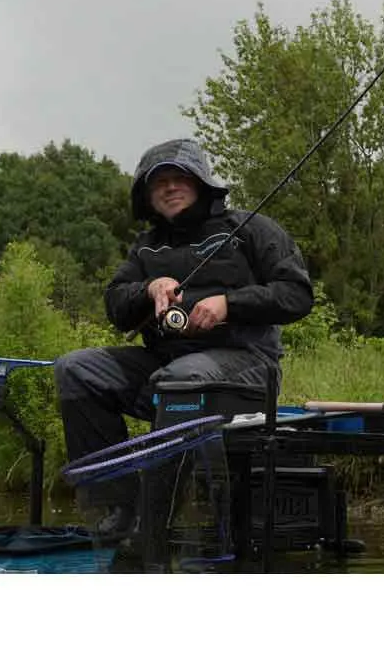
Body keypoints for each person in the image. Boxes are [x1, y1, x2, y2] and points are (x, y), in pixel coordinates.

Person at [53, 137, 314, 534]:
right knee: (75, 369)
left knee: (181, 380)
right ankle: (117, 511)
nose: (170, 187)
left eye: (180, 178)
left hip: (247, 369)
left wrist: (229, 304)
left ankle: (153, 528)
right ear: (147, 195)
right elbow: (115, 306)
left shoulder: (251, 229)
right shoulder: (145, 248)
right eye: (159, 182)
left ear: (201, 182)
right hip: (165, 369)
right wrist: (149, 288)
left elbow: (297, 294)